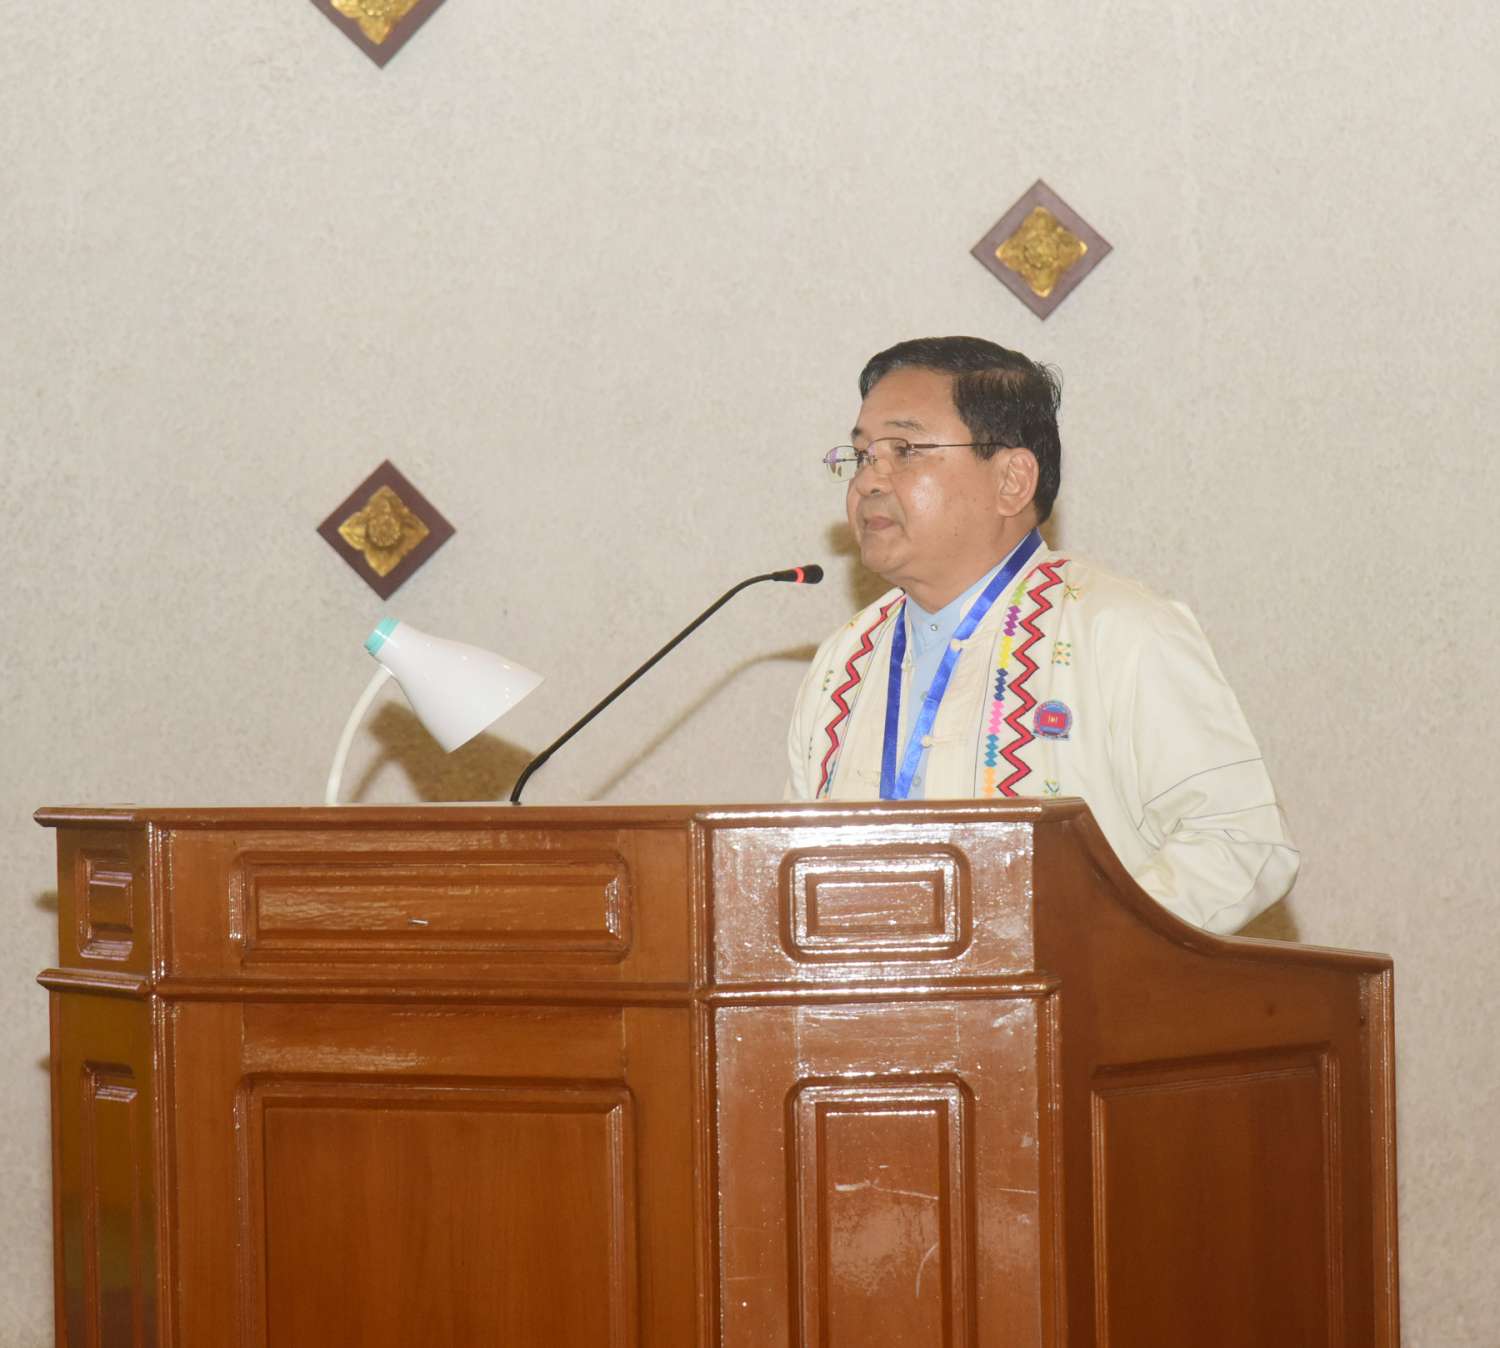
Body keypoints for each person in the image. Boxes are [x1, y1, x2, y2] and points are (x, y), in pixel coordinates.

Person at [784, 336, 1297, 934]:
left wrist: (1076, 943)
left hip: (1077, 989)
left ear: (1012, 480)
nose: (868, 481)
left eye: (904, 449)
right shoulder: (844, 661)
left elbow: (1241, 841)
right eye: (862, 455)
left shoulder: (1119, 630)